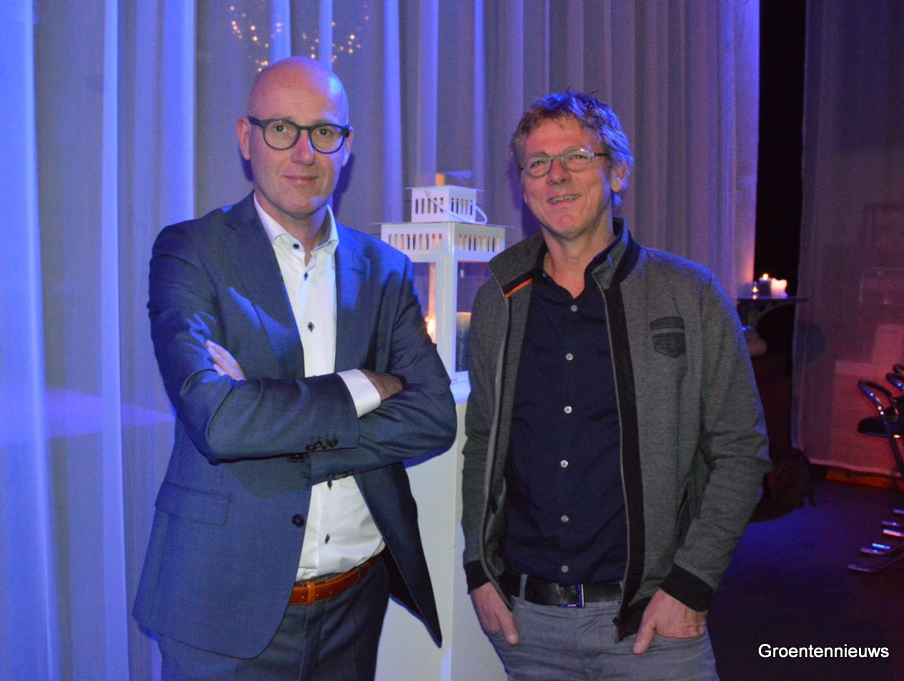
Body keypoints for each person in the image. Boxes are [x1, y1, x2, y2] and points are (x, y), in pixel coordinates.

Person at [134, 56, 456, 680]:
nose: (304, 152)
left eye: (324, 132)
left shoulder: (385, 269)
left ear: (346, 146)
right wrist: (364, 386)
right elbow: (220, 423)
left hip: (355, 602)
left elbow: (434, 417)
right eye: (281, 128)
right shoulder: (191, 251)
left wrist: (275, 427)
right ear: (246, 137)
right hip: (222, 611)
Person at [460, 90, 770, 680]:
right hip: (527, 627)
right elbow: (482, 442)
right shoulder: (500, 300)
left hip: (653, 626)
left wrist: (691, 585)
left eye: (577, 156)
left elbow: (740, 450)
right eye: (537, 163)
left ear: (618, 171)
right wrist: (478, 568)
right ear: (523, 185)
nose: (556, 176)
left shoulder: (690, 293)